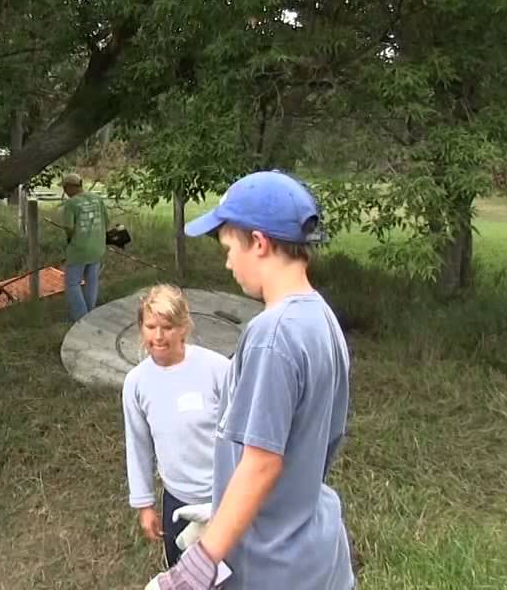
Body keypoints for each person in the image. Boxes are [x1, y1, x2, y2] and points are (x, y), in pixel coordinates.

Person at [150, 171, 354, 590]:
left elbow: (262, 463)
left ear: (258, 243)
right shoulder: (323, 320)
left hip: (272, 568)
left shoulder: (272, 335)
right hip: (318, 559)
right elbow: (304, 447)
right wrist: (225, 508)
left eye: (228, 248)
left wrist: (200, 562)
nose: (227, 262)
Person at [123, 285, 230, 568]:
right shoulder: (136, 383)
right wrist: (144, 505)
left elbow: (240, 435)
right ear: (141, 328)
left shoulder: (217, 369)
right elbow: (138, 445)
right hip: (178, 503)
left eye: (168, 327)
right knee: (186, 576)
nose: (158, 336)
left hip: (224, 498)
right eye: (151, 326)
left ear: (184, 327)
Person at [60, 172, 109, 322]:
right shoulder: (97, 199)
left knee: (72, 284)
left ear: (69, 187)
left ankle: (80, 318)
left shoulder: (71, 203)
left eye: (64, 188)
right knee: (92, 282)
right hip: (97, 247)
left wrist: (70, 240)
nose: (65, 192)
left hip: (79, 250)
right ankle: (90, 315)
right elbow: (106, 221)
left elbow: (69, 228)